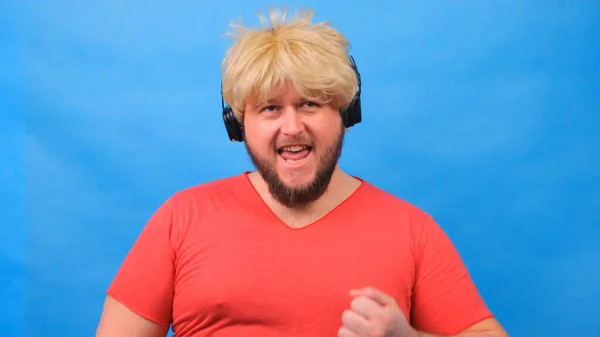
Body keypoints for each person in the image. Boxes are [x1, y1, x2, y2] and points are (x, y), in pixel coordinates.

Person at [95, 7, 509, 337]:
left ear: (345, 113)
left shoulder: (411, 231)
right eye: (270, 108)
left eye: (310, 103)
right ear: (239, 124)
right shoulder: (181, 218)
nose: (291, 127)